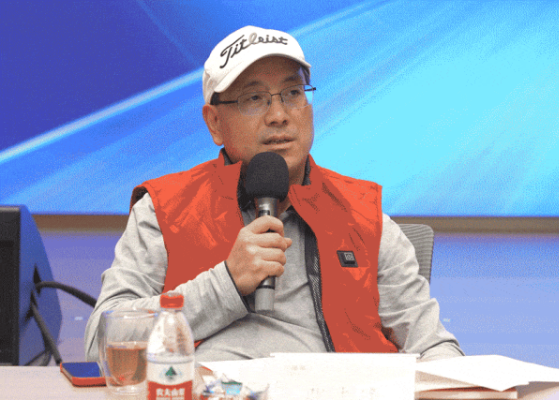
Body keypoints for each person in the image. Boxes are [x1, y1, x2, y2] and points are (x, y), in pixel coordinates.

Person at [84, 25, 463, 362]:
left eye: (292, 93)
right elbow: (103, 342)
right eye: (254, 98)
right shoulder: (166, 209)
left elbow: (433, 346)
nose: (279, 115)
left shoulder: (362, 215)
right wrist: (226, 283)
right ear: (214, 123)